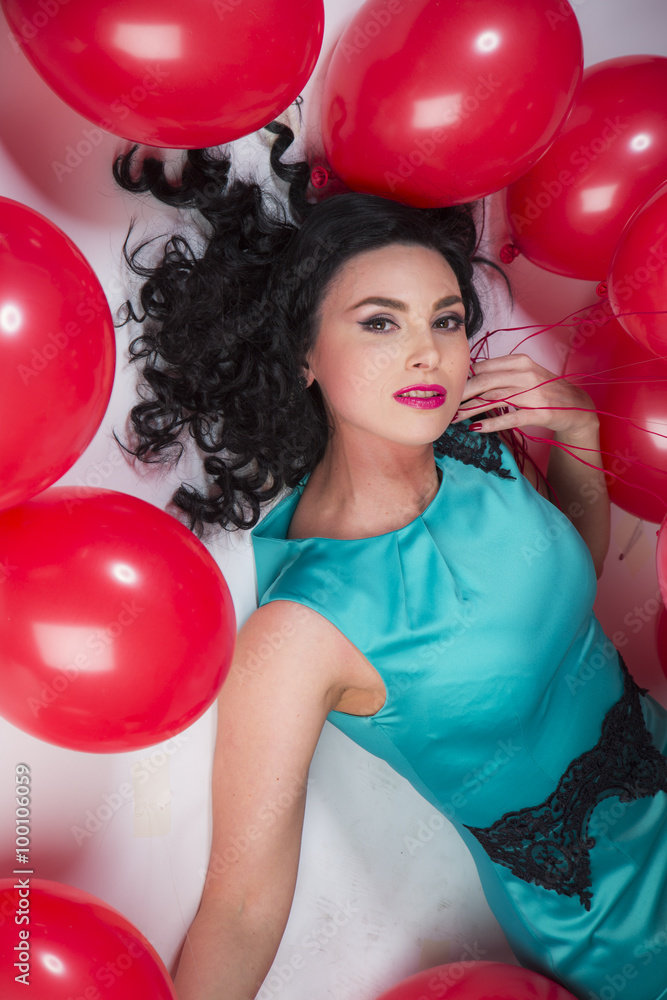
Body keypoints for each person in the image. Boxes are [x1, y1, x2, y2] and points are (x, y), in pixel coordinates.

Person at [111, 111, 667, 1000]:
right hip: (617, 927)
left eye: (444, 320)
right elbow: (245, 907)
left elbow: (564, 596)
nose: (426, 352)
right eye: (378, 323)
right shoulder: (301, 631)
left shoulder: (479, 448)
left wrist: (577, 434)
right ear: (303, 356)